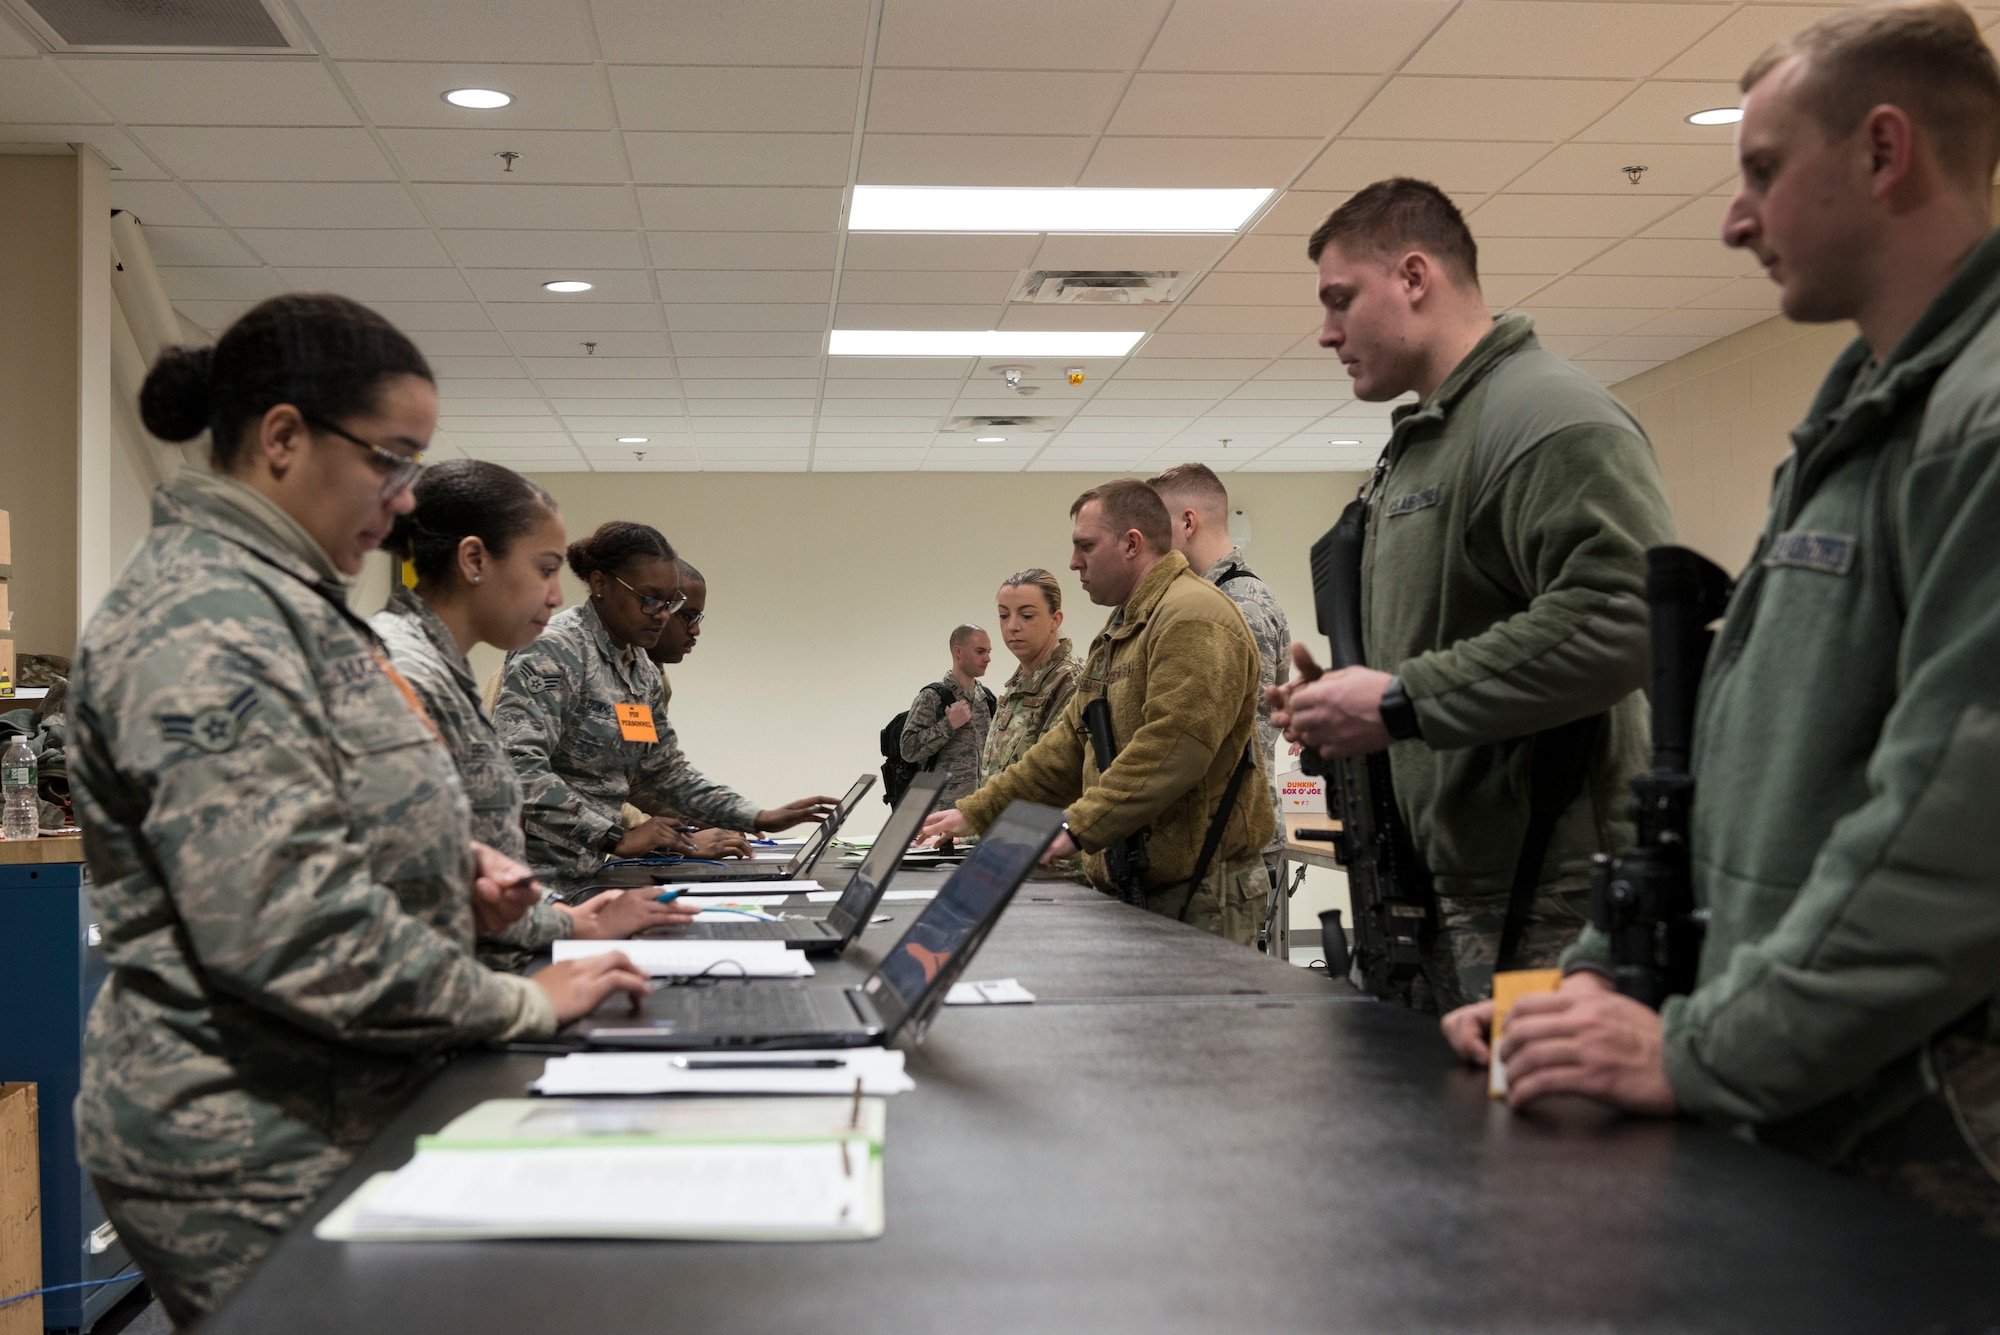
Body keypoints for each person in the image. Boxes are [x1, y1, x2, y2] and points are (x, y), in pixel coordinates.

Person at [1450, 0, 2000, 1232]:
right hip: (1820, 1082)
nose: (1732, 218)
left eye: (1759, 170)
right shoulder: (1866, 405)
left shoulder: (1978, 418)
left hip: (1933, 1124)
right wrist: (1581, 987)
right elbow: (1745, 764)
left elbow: (1954, 828)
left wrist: (1697, 1052)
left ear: (1881, 151)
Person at [65, 294, 649, 1326]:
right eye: (390, 459)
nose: (405, 499)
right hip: (243, 1141)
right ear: (284, 437)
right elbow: (291, 924)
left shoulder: (288, 602)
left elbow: (330, 824)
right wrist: (526, 1000)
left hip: (332, 1099)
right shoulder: (206, 622)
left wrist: (443, 872)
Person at [1268, 177, 1676, 1013]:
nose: (1325, 333)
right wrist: (1346, 702)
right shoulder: (1423, 446)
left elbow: (1624, 619)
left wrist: (1397, 699)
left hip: (1553, 886)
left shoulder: (1544, 416)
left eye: (1341, 300)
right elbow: (1450, 643)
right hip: (1453, 878)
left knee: (1552, 1143)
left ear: (1414, 277)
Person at [372, 460, 698, 972]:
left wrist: (576, 924)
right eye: (544, 569)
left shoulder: (441, 671)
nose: (556, 595)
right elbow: (392, 902)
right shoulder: (401, 676)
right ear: (474, 559)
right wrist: (524, 1004)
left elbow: (462, 869)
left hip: (495, 957)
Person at [923, 480, 1275, 946]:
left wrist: (1077, 826)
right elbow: (1068, 747)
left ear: (1132, 544)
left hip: (1200, 893)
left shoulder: (1193, 616)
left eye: (1085, 546)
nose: (1073, 562)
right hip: (1143, 883)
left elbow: (1173, 749)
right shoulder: (1126, 625)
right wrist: (975, 812)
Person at [494, 521, 837, 898]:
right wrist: (615, 836)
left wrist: (757, 816)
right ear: (600, 583)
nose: (660, 614)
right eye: (649, 599)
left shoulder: (639, 669)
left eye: (670, 603)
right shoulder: (553, 649)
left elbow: (664, 770)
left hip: (589, 872)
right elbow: (517, 768)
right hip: (524, 881)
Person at [1147, 462, 1291, 870]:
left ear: (1188, 522)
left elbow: (1237, 731)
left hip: (1233, 843)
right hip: (1208, 837)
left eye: (1158, 527)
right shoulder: (1201, 599)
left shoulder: (1239, 605)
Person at [614, 556, 752, 847]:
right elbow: (561, 785)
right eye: (686, 616)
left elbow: (636, 781)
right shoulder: (569, 660)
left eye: (697, 618)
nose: (695, 630)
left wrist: (702, 817)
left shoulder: (648, 679)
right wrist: (676, 838)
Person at [979, 568, 1084, 788]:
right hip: (1001, 818)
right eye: (1004, 615)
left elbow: (1051, 772)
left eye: (1026, 616)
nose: (1012, 626)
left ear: (1055, 620)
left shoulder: (1071, 681)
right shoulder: (1019, 682)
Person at [898, 623, 995, 808]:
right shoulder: (932, 697)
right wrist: (948, 724)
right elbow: (908, 749)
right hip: (942, 814)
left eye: (989, 652)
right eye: (980, 651)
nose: (988, 658)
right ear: (958, 652)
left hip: (979, 813)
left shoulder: (987, 699)